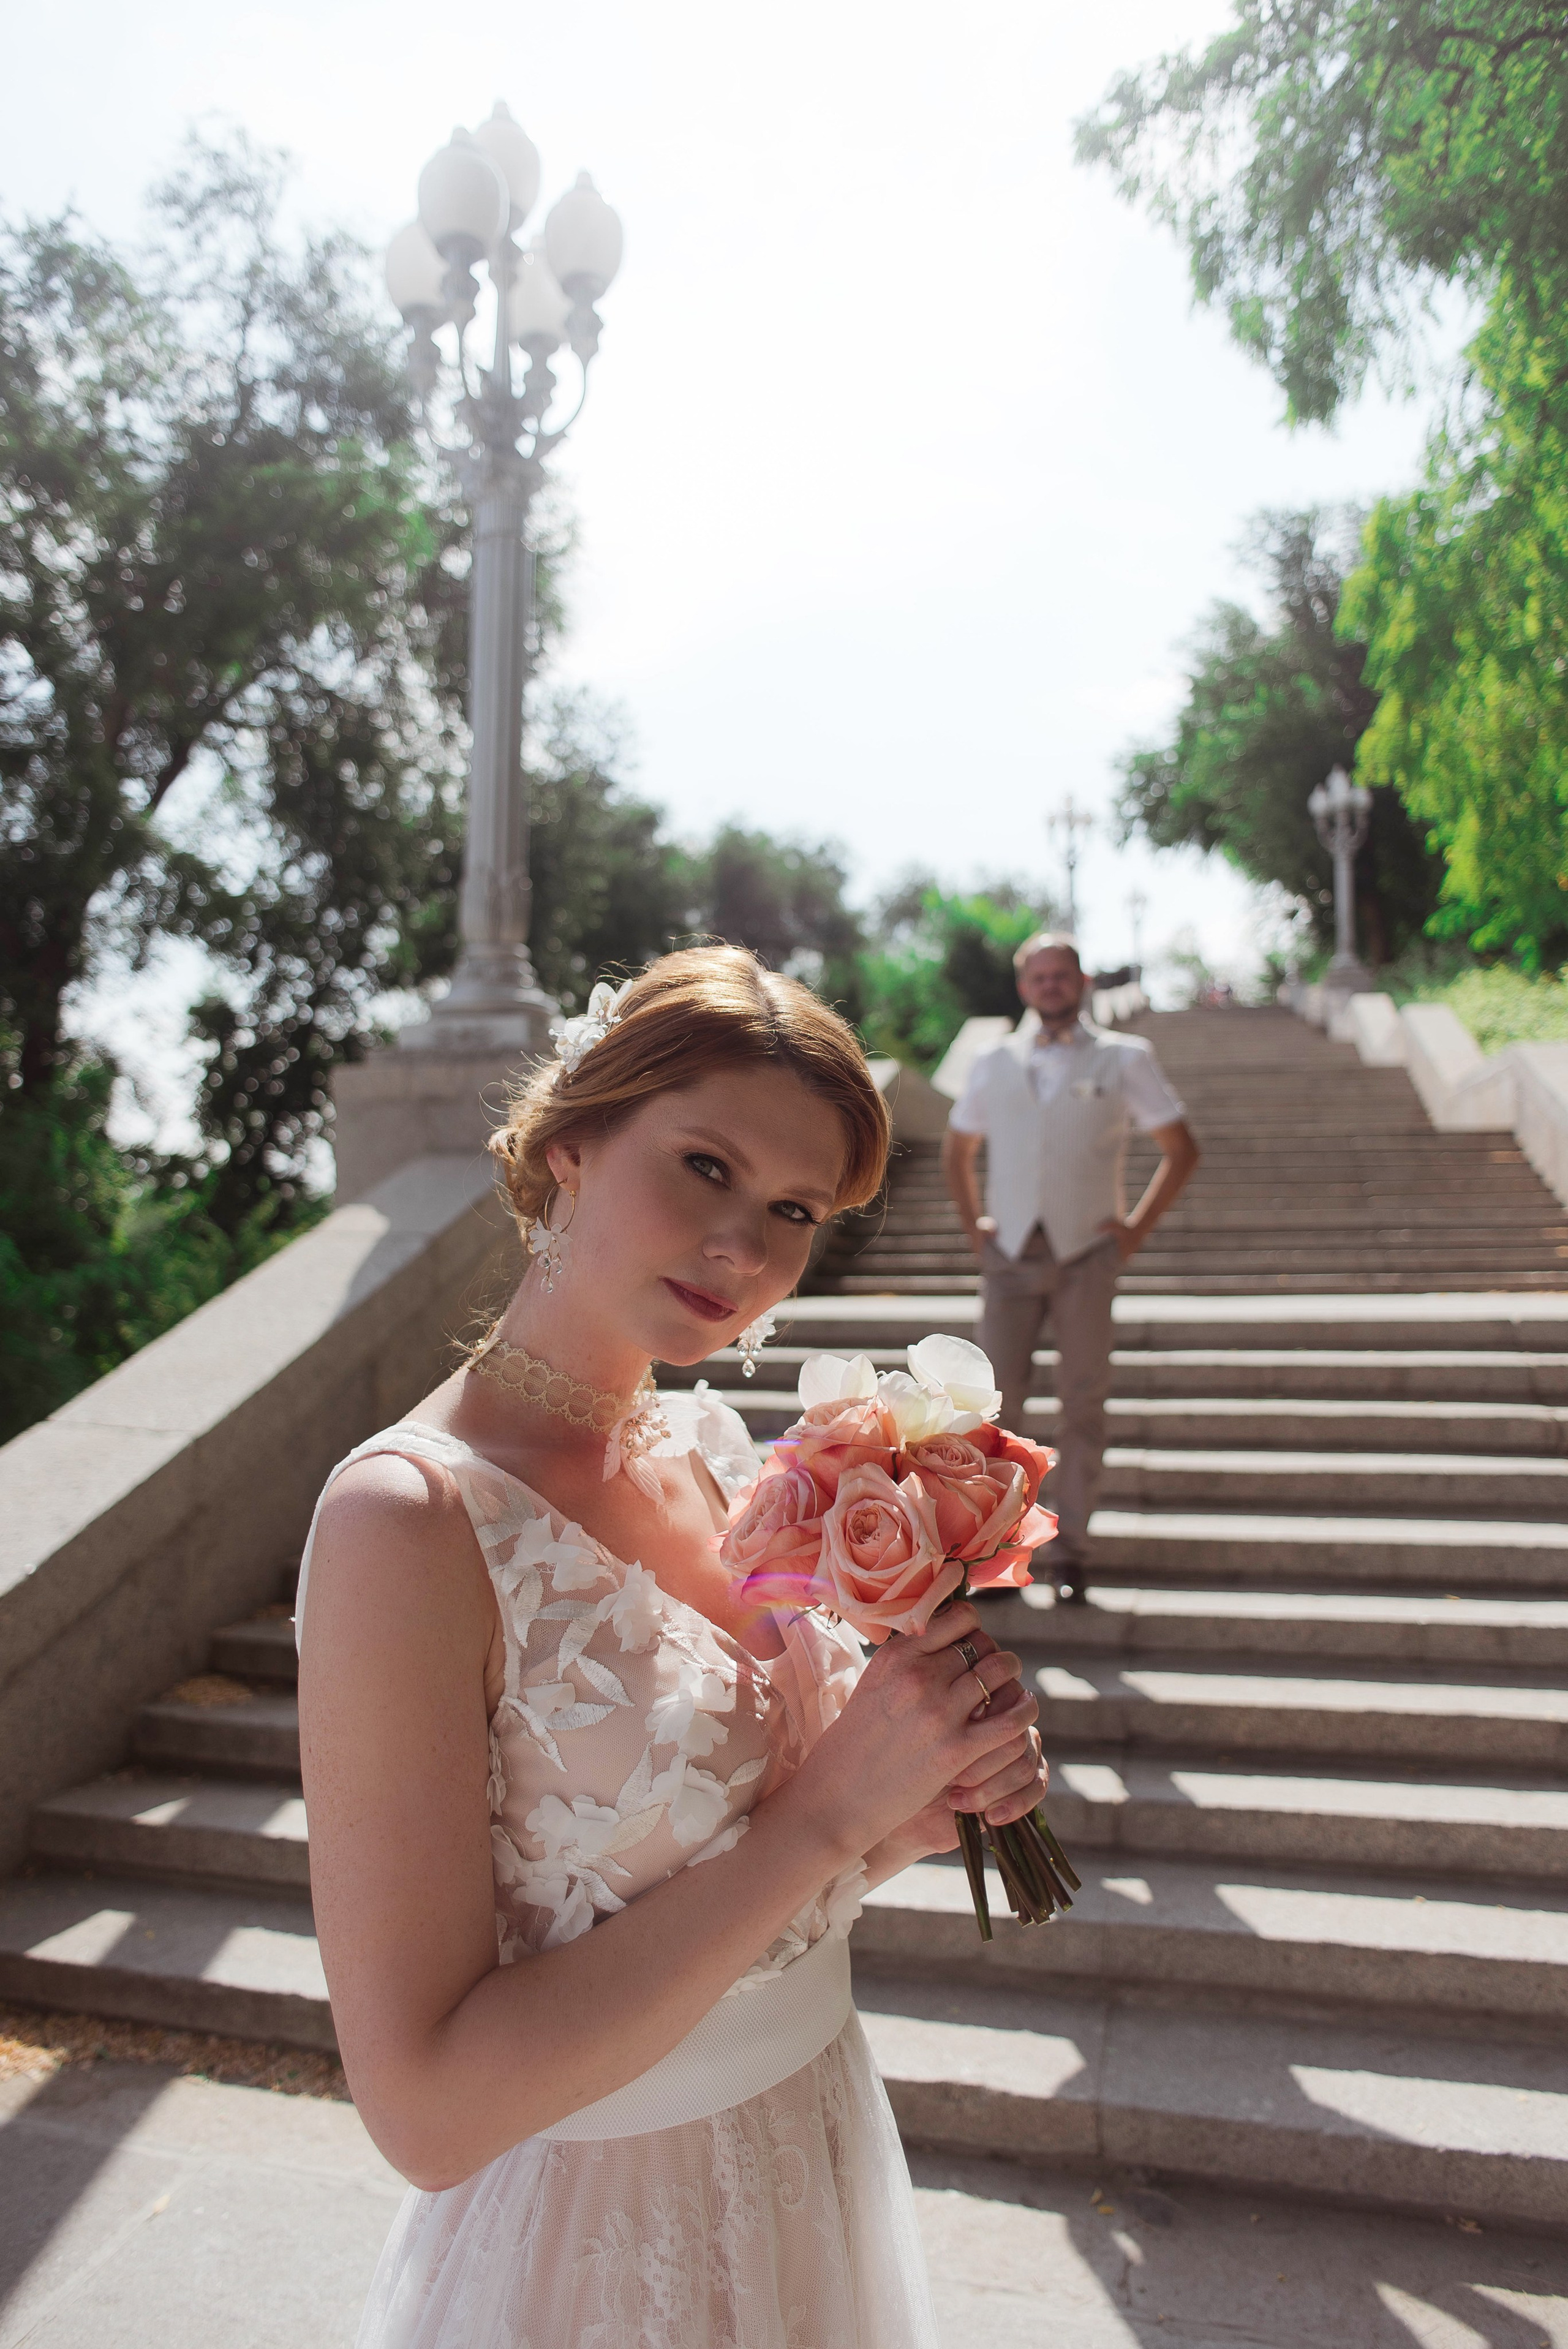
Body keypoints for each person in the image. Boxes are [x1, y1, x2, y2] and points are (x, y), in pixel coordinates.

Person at [298, 946, 1049, 2349]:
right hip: (590, 2243)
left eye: (792, 1208)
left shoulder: (716, 1452)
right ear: (572, 1139)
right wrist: (829, 1813)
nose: (748, 1246)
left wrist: (913, 1798)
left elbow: (760, 1872)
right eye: (704, 1164)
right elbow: (425, 2109)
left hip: (809, 2151)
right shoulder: (406, 1523)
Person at [941, 932, 1199, 1604]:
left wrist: (1133, 1230)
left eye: (1062, 974)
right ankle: (997, 1552)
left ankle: (1073, 1553)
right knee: (993, 1412)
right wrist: (977, 1230)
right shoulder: (992, 1060)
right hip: (1009, 1259)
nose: (1050, 985)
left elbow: (1180, 1147)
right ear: (1024, 988)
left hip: (1087, 1255)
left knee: (1083, 1406)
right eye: (1038, 977)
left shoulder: (1124, 1057)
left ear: (1082, 981)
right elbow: (957, 1149)